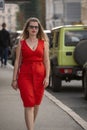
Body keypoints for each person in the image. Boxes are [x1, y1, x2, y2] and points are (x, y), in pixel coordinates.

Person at [11, 17, 50, 130]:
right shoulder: (21, 43)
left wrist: (47, 77)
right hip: (25, 76)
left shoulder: (44, 43)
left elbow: (46, 61)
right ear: (27, 28)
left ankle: (30, 125)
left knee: (36, 104)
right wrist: (14, 79)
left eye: (36, 27)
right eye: (31, 27)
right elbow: (17, 61)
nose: (34, 29)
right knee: (29, 103)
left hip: (40, 76)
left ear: (39, 29)